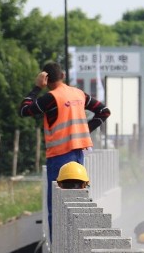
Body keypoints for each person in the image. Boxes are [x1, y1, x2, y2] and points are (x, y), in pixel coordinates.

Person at [19, 62, 110, 233]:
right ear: (63, 76)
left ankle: (57, 249)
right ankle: (77, 236)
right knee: (76, 201)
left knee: (57, 205)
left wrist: (36, 87)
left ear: (46, 79)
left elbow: (24, 110)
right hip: (78, 156)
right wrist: (85, 129)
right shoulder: (79, 94)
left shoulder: (50, 98)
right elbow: (104, 111)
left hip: (59, 156)